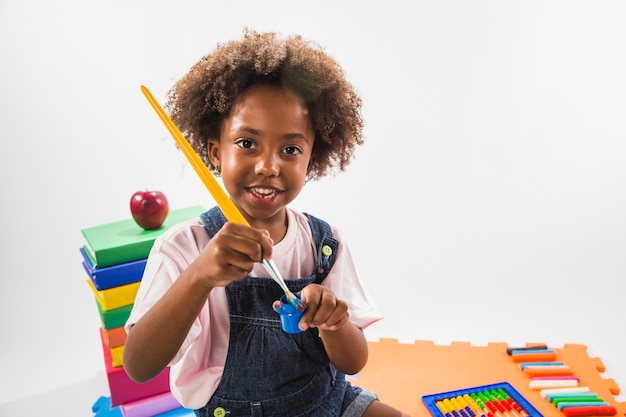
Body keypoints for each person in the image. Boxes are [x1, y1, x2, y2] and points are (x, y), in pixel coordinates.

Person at [123, 29, 410, 417]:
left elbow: (352, 363)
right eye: (246, 143)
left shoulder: (323, 244)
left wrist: (334, 320)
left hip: (323, 401)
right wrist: (199, 276)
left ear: (311, 161)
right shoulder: (183, 247)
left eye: (290, 150)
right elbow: (139, 367)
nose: (268, 166)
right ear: (214, 152)